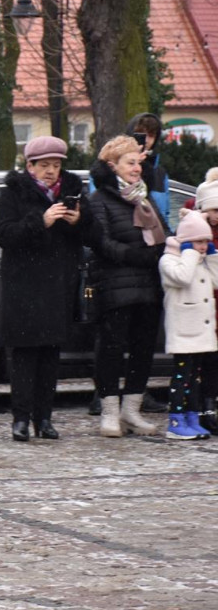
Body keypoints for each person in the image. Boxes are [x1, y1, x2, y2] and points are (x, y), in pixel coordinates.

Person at [0, 136, 90, 442]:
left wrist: (79, 222)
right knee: (23, 357)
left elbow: (92, 236)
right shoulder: (14, 193)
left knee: (50, 357)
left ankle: (44, 419)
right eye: (44, 165)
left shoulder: (73, 192)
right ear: (30, 166)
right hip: (24, 288)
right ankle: (20, 420)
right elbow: (4, 234)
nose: (51, 171)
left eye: (56, 165)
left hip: (58, 287)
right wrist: (41, 220)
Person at [87, 135, 169, 438]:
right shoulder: (100, 200)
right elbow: (101, 242)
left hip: (149, 287)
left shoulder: (144, 199)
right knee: (111, 349)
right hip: (115, 288)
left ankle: (131, 410)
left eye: (138, 162)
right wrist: (134, 256)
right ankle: (109, 410)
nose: (137, 168)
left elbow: (165, 234)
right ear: (113, 166)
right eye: (130, 163)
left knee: (143, 350)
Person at [159, 211, 218, 439]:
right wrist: (190, 254)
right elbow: (182, 277)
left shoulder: (201, 261)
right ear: (186, 242)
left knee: (195, 377)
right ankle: (176, 419)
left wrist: (212, 257)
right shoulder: (169, 260)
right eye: (199, 241)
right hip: (184, 331)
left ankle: (192, 417)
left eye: (206, 241)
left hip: (200, 333)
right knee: (182, 377)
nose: (203, 246)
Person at [195, 168, 218, 433]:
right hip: (202, 304)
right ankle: (203, 406)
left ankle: (210, 403)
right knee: (204, 361)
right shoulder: (196, 231)